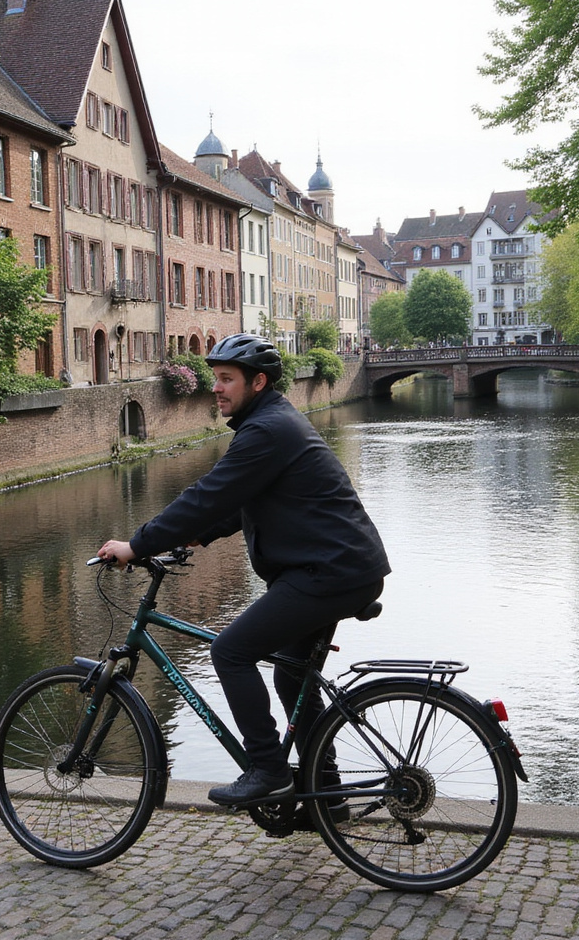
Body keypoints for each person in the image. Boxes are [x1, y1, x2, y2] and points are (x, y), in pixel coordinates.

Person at [97, 333, 390, 806]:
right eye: (215, 379)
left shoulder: (266, 431)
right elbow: (242, 503)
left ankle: (268, 768)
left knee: (231, 652)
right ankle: (327, 794)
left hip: (327, 573)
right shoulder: (272, 422)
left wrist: (137, 544)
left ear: (258, 382)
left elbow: (206, 496)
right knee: (291, 676)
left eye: (227, 379)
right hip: (342, 567)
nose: (216, 388)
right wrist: (200, 535)